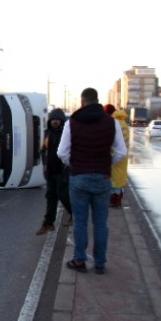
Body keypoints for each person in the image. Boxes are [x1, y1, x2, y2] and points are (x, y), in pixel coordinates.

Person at [57, 88, 127, 275]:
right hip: (103, 177)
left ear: (82, 102)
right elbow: (121, 152)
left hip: (79, 176)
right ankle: (100, 263)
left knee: (80, 221)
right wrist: (106, 165)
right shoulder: (112, 123)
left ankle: (79, 260)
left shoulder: (72, 122)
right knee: (100, 222)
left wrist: (74, 164)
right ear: (97, 101)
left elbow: (61, 152)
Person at [36, 108, 73, 235]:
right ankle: (48, 223)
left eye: (58, 120)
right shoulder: (48, 133)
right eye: (53, 120)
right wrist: (44, 165)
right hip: (50, 171)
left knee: (63, 194)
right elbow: (43, 150)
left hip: (63, 170)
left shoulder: (66, 133)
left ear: (62, 121)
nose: (55, 122)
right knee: (50, 197)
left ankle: (75, 215)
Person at [104, 104, 130, 207]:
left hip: (115, 154)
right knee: (118, 178)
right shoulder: (122, 122)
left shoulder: (114, 123)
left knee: (114, 180)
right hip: (123, 154)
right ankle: (117, 198)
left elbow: (111, 140)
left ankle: (115, 200)